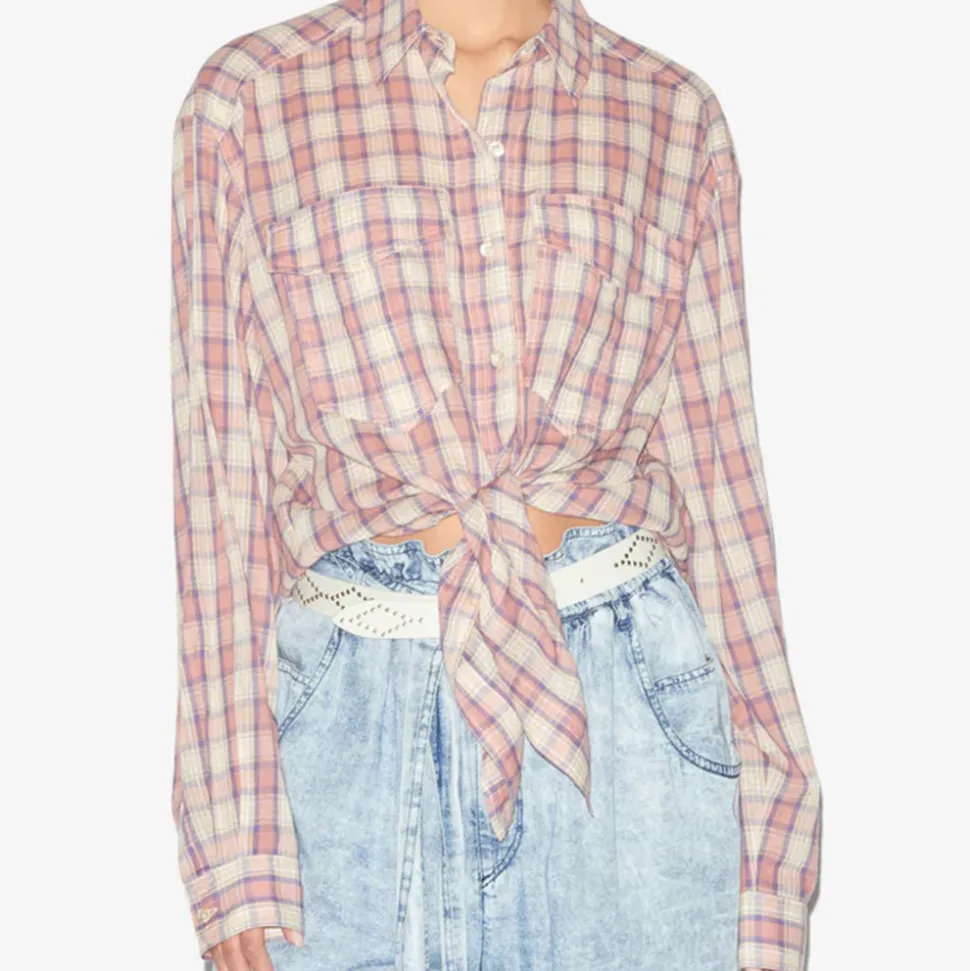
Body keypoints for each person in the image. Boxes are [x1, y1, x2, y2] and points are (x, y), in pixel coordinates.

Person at [168, 0, 822, 968]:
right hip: (351, 738)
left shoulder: (671, 115)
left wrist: (772, 851)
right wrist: (234, 845)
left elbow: (725, 491)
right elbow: (219, 496)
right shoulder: (247, 104)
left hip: (628, 727)